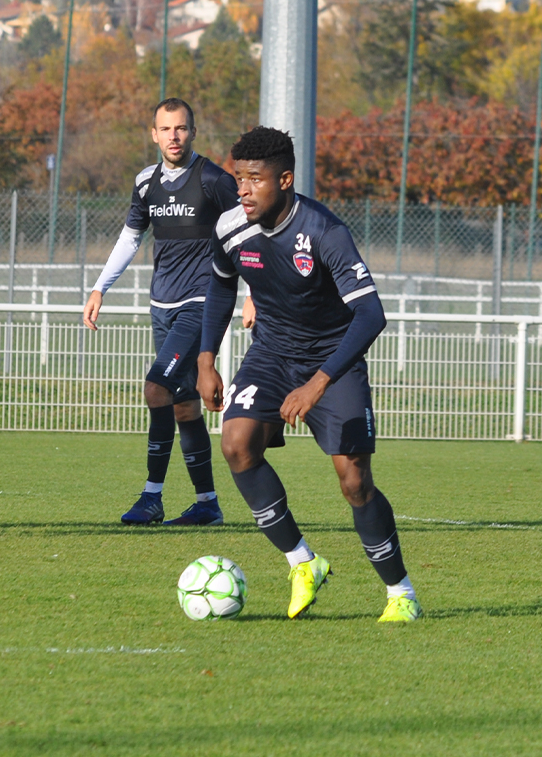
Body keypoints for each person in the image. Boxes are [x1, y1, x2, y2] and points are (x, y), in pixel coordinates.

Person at [197, 126, 420, 623]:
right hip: (272, 353)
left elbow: (371, 315)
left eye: (255, 179)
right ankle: (303, 562)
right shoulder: (231, 227)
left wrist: (318, 383)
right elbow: (220, 289)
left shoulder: (323, 231)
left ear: (285, 179)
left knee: (354, 481)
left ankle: (401, 593)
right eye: (239, 179)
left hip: (332, 360)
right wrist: (206, 359)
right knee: (235, 443)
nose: (244, 191)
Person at [83, 97, 243, 526]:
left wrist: (256, 294)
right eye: (166, 129)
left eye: (181, 128)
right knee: (182, 405)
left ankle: (151, 497)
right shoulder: (145, 183)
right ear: (154, 134)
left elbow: (246, 234)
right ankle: (207, 504)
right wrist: (100, 287)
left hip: (201, 303)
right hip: (162, 306)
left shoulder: (213, 179)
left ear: (193, 132)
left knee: (156, 387)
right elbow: (130, 239)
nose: (174, 136)